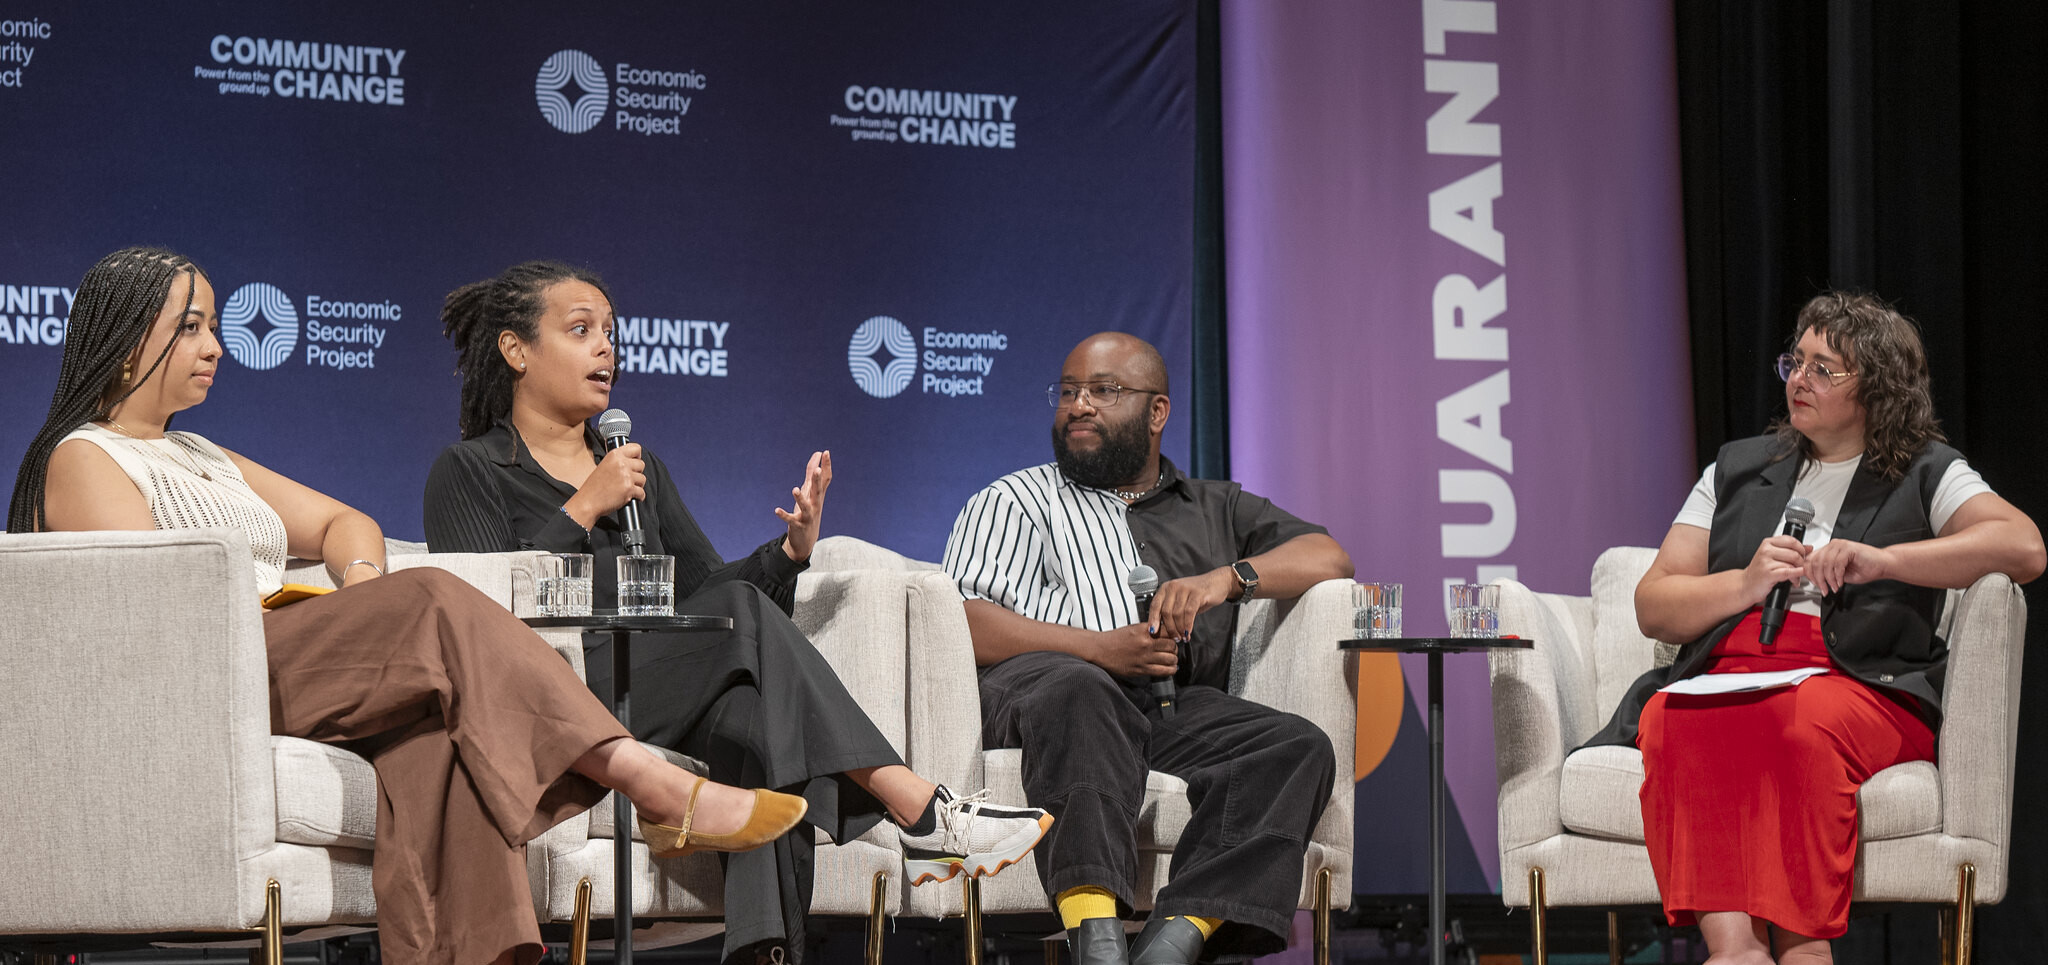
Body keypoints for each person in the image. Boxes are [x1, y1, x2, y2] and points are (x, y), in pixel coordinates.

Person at [6, 247, 817, 965]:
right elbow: (159, 621)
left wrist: (361, 588)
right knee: (430, 591)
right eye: (189, 327)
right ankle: (646, 779)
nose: (215, 345)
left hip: (298, 649)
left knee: (440, 741)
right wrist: (376, 604)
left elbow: (342, 520)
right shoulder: (83, 456)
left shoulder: (202, 455)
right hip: (222, 664)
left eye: (213, 325)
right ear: (121, 346)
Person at [422, 261, 1051, 965]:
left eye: (610, 331)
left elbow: (708, 591)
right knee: (749, 654)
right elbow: (474, 614)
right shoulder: (470, 470)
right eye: (580, 330)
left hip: (650, 690)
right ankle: (919, 805)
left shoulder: (638, 467)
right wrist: (581, 508)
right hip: (553, 702)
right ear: (515, 350)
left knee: (756, 729)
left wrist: (788, 551)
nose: (607, 348)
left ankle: (766, 954)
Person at [1584, 292, 2044, 964]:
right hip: (1734, 664)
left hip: (1860, 679)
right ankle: (1734, 949)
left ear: (1878, 388)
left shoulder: (1922, 468)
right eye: (1795, 361)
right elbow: (1655, 603)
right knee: (1671, 714)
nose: (1800, 378)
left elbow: (2024, 547)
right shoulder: (1739, 468)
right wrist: (1744, 583)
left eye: (1824, 368)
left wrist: (1882, 560)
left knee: (1798, 721)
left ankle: (1803, 948)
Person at [940, 332, 1351, 965]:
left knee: (1295, 747)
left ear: (1156, 412)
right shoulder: (1016, 500)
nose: (1079, 405)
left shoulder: (1216, 506)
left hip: (1163, 706)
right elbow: (965, 623)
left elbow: (1330, 558)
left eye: (1104, 391)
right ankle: (1096, 936)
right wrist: (1102, 651)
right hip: (1038, 695)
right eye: (1069, 391)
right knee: (1081, 689)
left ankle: (1175, 940)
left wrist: (1226, 579)